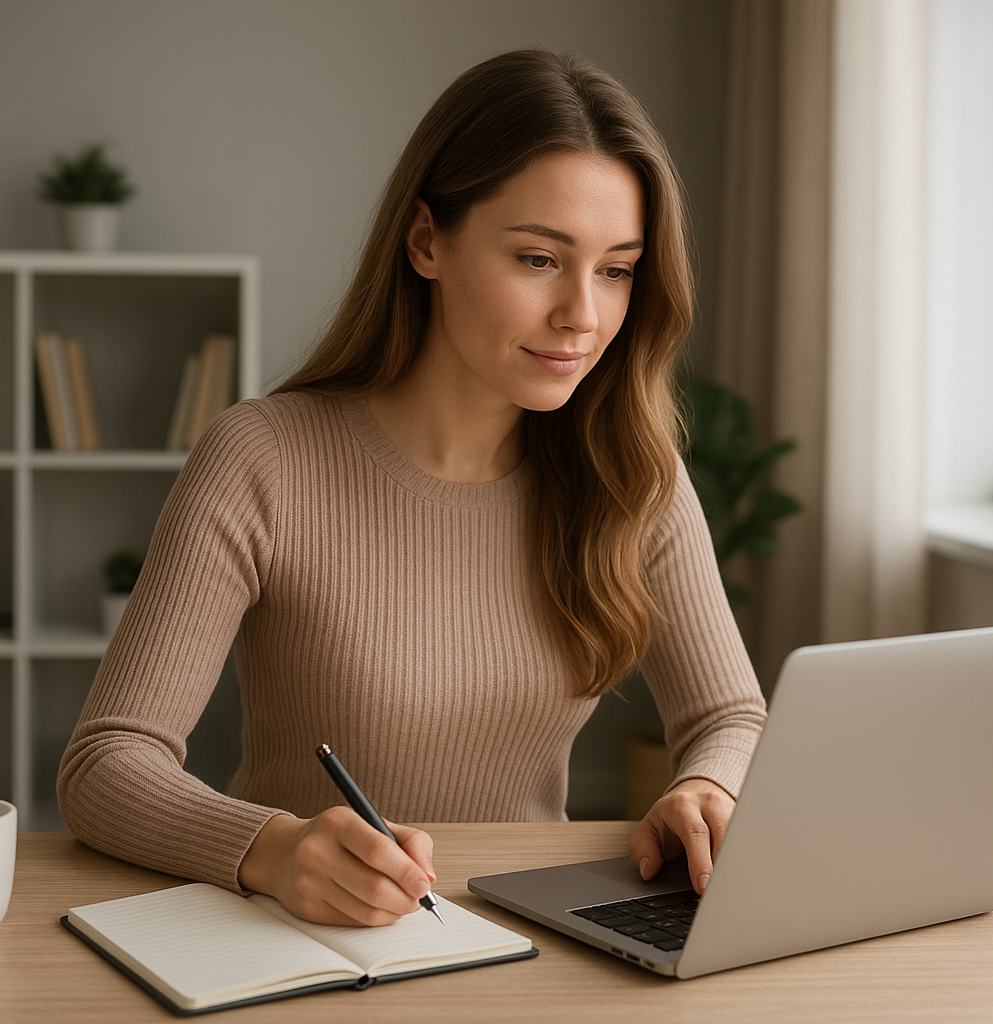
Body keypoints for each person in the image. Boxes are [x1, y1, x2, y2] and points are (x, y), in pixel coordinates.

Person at [58, 49, 767, 929]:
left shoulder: (629, 474)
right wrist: (271, 850)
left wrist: (706, 786)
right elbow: (106, 763)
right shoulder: (264, 458)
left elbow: (731, 713)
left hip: (537, 940)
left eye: (617, 269)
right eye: (540, 259)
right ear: (427, 241)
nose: (584, 314)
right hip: (309, 943)